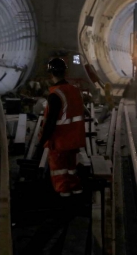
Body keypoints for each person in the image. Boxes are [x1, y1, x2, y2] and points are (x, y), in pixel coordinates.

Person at [37, 58, 86, 197]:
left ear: (51, 74)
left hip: (60, 141)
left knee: (60, 173)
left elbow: (51, 121)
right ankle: (76, 190)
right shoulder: (75, 91)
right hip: (75, 139)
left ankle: (64, 198)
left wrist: (42, 142)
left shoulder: (55, 95)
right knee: (71, 169)